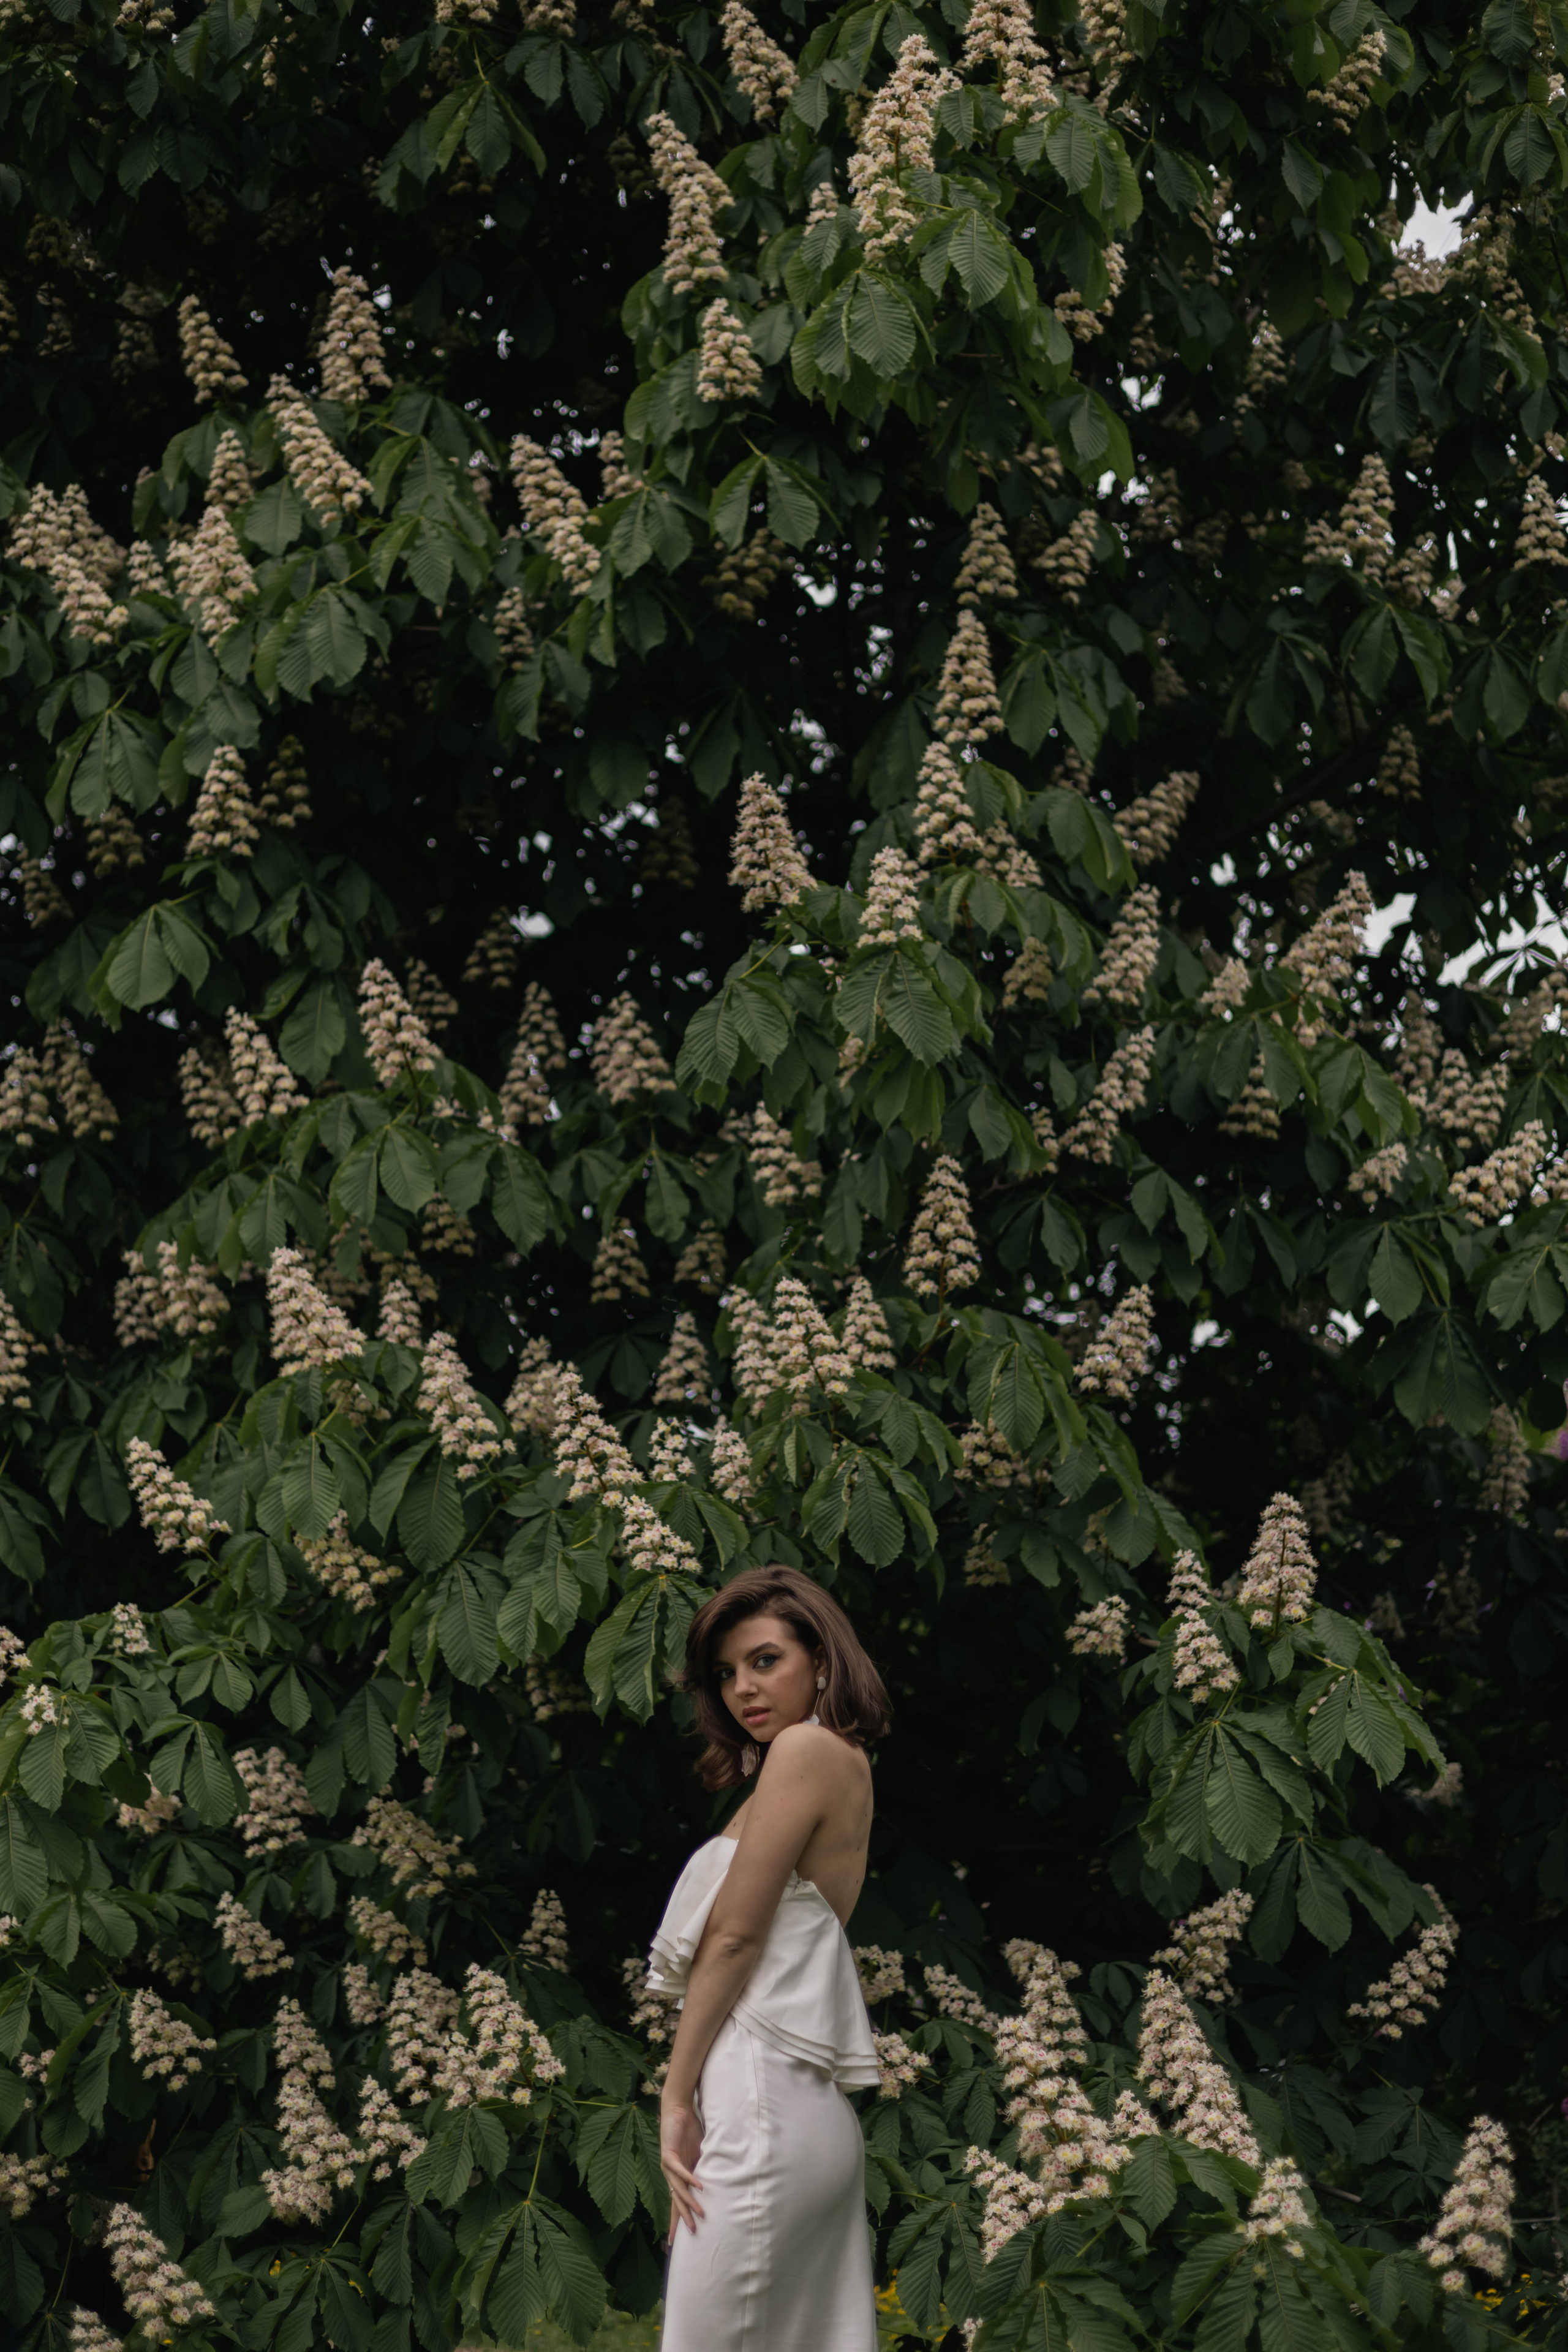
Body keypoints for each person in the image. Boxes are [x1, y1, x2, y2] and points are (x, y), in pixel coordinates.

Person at [648, 1564, 892, 2352]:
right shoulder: (838, 1761)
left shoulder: (803, 1750)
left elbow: (734, 1938)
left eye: (764, 1660)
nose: (741, 1689)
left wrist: (675, 2097)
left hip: (761, 2113)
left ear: (820, 1659)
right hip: (795, 2113)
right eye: (724, 1673)